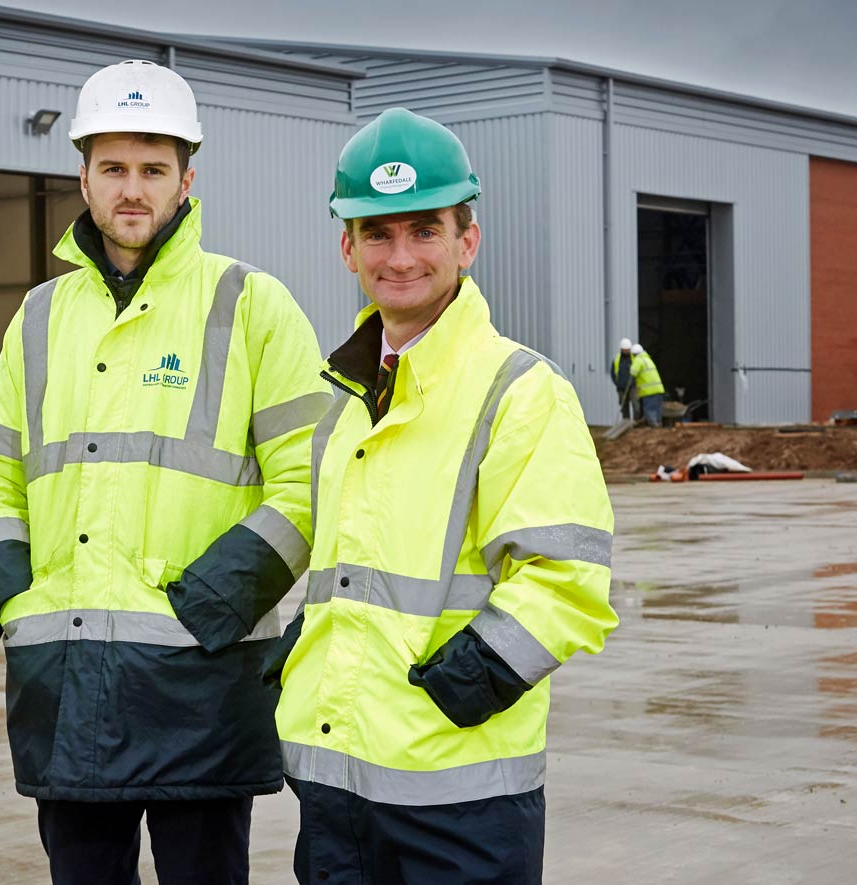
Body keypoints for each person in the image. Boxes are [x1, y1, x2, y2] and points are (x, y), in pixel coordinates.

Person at [0, 59, 328, 885]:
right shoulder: (40, 316)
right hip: (65, 678)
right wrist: (16, 593)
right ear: (82, 176)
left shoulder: (250, 304)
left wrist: (214, 601)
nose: (134, 189)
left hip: (203, 682)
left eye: (154, 169)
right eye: (115, 168)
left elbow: (312, 477)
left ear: (187, 178)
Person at [268, 108, 619, 884]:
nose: (400, 257)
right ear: (346, 247)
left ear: (468, 240)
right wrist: (300, 657)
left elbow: (567, 581)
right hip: (335, 784)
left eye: (424, 231)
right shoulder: (344, 402)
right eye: (377, 234)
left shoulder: (521, 391)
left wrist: (460, 691)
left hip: (459, 797)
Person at [630, 342, 666, 426]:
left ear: (633, 354)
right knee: (658, 408)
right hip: (659, 389)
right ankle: (659, 423)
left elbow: (633, 372)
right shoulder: (648, 359)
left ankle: (653, 425)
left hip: (648, 390)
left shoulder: (638, 360)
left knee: (649, 408)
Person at [612, 337, 636, 419]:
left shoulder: (634, 358)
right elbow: (613, 373)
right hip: (621, 387)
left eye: (627, 350)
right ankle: (626, 421)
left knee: (635, 403)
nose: (626, 351)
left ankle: (637, 422)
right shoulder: (617, 359)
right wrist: (617, 383)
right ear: (621, 349)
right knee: (623, 405)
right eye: (624, 350)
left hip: (633, 386)